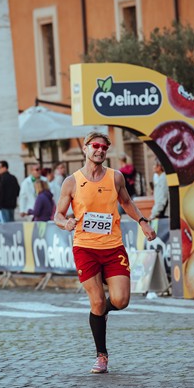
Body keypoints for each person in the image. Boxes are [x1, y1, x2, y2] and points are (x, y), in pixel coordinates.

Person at [54, 131, 157, 374]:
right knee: (97, 301)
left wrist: (143, 222)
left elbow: (127, 203)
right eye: (95, 146)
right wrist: (65, 223)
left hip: (112, 247)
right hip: (85, 248)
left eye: (104, 147)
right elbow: (58, 214)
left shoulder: (116, 177)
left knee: (121, 300)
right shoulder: (71, 181)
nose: (99, 150)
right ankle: (101, 355)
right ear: (85, 148)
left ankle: (102, 313)